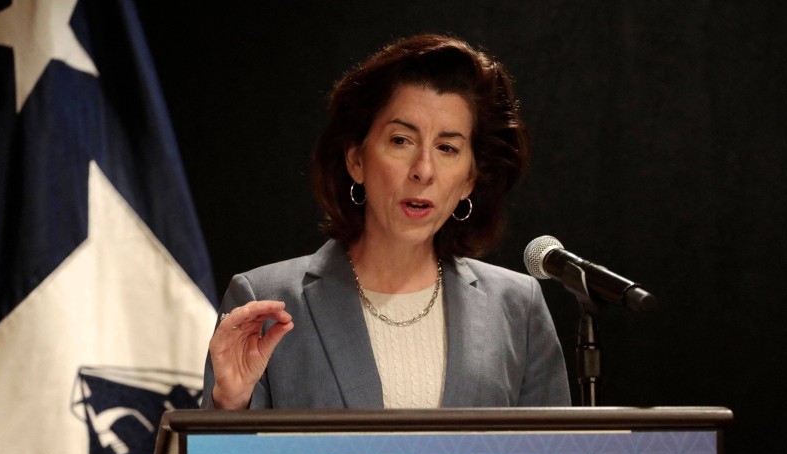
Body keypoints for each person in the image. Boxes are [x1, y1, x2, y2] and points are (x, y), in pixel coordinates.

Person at [203, 33, 570, 410]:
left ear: (469, 180)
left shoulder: (517, 307)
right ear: (356, 160)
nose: (423, 170)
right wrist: (229, 403)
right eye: (401, 140)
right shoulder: (266, 300)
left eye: (447, 148)